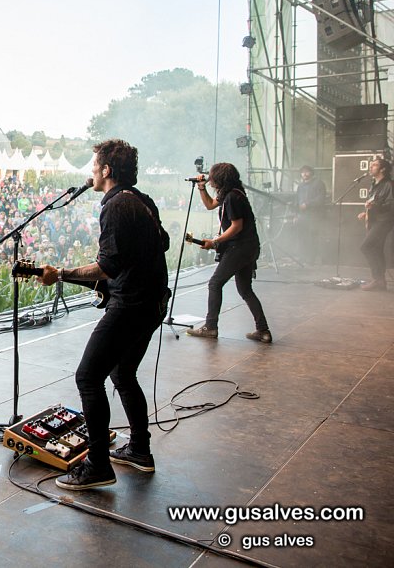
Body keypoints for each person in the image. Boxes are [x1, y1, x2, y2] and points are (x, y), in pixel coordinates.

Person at [35, 139, 170, 491]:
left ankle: (97, 465)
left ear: (107, 170)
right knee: (123, 373)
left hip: (132, 306)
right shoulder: (141, 200)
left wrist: (61, 274)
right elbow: (162, 242)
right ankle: (139, 449)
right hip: (152, 303)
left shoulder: (116, 205)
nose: (90, 171)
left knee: (88, 378)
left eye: (94, 165)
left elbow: (107, 266)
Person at [188, 163, 272, 342]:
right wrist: (201, 188)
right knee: (245, 290)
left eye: (212, 178)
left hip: (239, 248)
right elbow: (210, 205)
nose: (210, 181)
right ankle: (263, 331)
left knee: (215, 283)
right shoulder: (232, 193)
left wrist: (215, 241)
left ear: (220, 179)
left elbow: (236, 226)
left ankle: (210, 327)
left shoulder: (233, 197)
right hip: (248, 247)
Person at [357, 157, 393, 291]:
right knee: (376, 249)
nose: (371, 167)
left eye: (374, 165)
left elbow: (390, 205)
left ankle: (377, 279)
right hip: (376, 220)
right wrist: (366, 213)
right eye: (371, 165)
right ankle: (380, 281)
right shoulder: (374, 184)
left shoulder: (389, 184)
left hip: (384, 221)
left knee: (366, 247)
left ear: (382, 169)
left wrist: (375, 207)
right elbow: (374, 202)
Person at [294, 165, 327, 264]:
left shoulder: (319, 183)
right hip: (302, 216)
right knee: (302, 237)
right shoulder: (300, 186)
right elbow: (297, 200)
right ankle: (303, 257)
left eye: (307, 172)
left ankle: (311, 258)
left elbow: (320, 199)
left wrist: (307, 205)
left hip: (314, 215)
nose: (304, 174)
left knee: (312, 237)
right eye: (303, 172)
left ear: (311, 173)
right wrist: (296, 215)